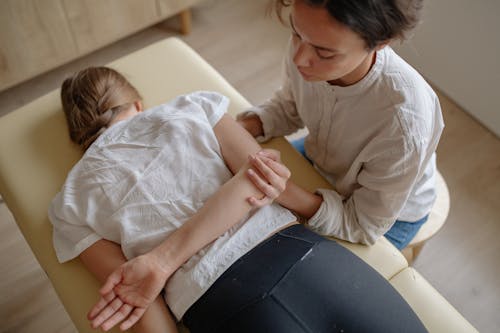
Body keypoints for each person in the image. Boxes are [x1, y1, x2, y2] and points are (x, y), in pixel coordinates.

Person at [49, 67, 427, 333]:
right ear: (137, 102)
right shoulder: (192, 107)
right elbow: (259, 179)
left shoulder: (67, 205)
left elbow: (135, 297)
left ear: (77, 133)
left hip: (217, 304)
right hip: (301, 255)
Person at [237, 0, 444, 250]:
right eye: (295, 32)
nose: (299, 58)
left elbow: (362, 224)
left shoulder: (404, 124)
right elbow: (290, 107)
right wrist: (244, 126)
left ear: (380, 43)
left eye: (324, 53)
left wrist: (285, 193)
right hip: (327, 158)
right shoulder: (311, 38)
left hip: (385, 216)